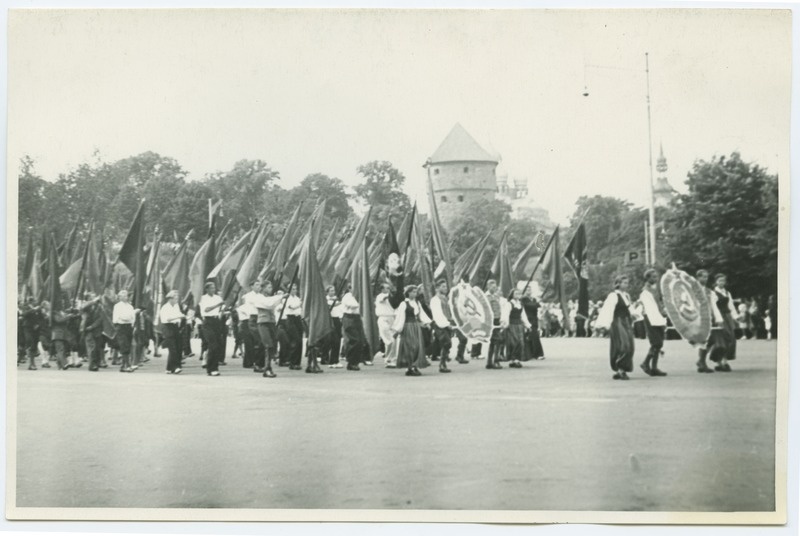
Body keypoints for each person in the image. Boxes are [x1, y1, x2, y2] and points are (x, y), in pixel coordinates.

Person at [596, 274, 635, 380]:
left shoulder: (626, 296)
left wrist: (635, 315)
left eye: (627, 283)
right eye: (624, 283)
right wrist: (605, 324)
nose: (626, 285)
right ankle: (620, 368)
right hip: (617, 322)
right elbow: (608, 310)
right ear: (618, 283)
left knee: (630, 346)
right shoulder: (613, 296)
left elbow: (630, 309)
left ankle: (621, 369)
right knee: (623, 345)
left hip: (626, 322)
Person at [392, 285, 431, 376]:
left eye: (416, 292)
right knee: (410, 347)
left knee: (417, 346)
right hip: (408, 326)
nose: (415, 293)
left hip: (416, 326)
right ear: (408, 293)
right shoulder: (404, 304)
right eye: (413, 291)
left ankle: (414, 366)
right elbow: (401, 317)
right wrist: (398, 329)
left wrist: (426, 323)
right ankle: (409, 367)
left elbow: (421, 315)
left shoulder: (417, 303)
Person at [248, 280, 284, 378]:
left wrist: (281, 299)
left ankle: (267, 367)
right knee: (268, 345)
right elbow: (268, 304)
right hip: (263, 323)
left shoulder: (269, 298)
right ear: (263, 288)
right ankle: (267, 368)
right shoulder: (258, 297)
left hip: (271, 323)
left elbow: (274, 305)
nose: (271, 289)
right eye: (268, 287)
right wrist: (280, 297)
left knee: (272, 346)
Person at [638, 268, 667, 377]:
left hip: (658, 317)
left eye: (656, 276)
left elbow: (659, 303)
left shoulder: (656, 289)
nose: (656, 278)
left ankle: (654, 367)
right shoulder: (646, 291)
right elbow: (650, 308)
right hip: (651, 318)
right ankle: (645, 363)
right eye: (653, 277)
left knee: (659, 343)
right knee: (656, 342)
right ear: (648, 278)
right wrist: (660, 315)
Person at [709, 274, 739, 372]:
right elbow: (713, 307)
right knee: (721, 340)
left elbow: (731, 306)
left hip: (727, 316)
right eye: (719, 281)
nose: (722, 282)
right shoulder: (713, 293)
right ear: (716, 282)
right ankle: (719, 362)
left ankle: (724, 361)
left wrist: (736, 317)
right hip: (719, 317)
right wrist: (717, 319)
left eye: (723, 281)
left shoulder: (727, 292)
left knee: (731, 338)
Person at [199, 281, 226, 377]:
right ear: (206, 289)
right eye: (211, 288)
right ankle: (210, 368)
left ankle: (215, 367)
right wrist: (218, 305)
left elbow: (222, 308)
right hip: (207, 322)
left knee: (218, 345)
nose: (213, 290)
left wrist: (222, 309)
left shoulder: (217, 297)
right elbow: (206, 309)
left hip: (216, 321)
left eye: (214, 288)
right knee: (212, 344)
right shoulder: (203, 298)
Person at [341, 282, 369, 371]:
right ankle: (351, 362)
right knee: (354, 340)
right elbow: (352, 305)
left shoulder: (359, 296)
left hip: (357, 318)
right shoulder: (347, 296)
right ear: (349, 289)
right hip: (349, 317)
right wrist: (362, 302)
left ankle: (356, 361)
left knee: (360, 340)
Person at [503, 287, 532, 368]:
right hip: (511, 325)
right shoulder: (509, 304)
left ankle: (516, 359)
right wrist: (506, 324)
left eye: (519, 294)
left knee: (521, 342)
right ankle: (513, 359)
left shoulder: (520, 304)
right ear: (512, 295)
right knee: (513, 342)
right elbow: (506, 315)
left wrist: (528, 325)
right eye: (516, 293)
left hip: (519, 325)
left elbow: (523, 316)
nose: (518, 295)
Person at [277, 284, 304, 370]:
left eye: (295, 289)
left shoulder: (297, 298)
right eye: (292, 289)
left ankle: (297, 362)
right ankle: (292, 362)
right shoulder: (286, 299)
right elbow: (291, 307)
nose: (294, 291)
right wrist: (301, 304)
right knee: (295, 340)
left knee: (300, 341)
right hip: (290, 319)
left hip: (298, 318)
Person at [160, 290, 185, 374]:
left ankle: (169, 367)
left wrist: (182, 317)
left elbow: (178, 314)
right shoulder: (165, 307)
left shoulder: (176, 306)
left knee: (178, 346)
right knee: (172, 347)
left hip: (175, 327)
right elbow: (167, 318)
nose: (177, 300)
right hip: (167, 327)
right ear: (170, 299)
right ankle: (176, 367)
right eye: (175, 298)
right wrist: (178, 316)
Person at [80, 293, 106, 372]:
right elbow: (82, 307)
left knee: (97, 348)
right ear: (88, 298)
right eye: (92, 297)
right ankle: (92, 365)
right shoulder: (85, 306)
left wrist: (93, 326)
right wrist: (93, 301)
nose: (95, 298)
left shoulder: (99, 307)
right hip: (87, 330)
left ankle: (97, 363)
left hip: (96, 329)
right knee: (91, 347)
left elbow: (100, 318)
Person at [112, 290, 137, 373]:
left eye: (126, 295)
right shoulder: (117, 306)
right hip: (121, 326)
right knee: (124, 344)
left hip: (128, 327)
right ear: (120, 297)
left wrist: (131, 323)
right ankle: (128, 365)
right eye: (123, 296)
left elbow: (132, 317)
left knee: (128, 345)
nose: (126, 297)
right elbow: (119, 317)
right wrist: (127, 318)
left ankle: (123, 365)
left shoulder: (130, 306)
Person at [375, 282, 398, 368]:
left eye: (389, 288)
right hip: (383, 318)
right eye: (386, 288)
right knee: (389, 340)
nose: (388, 290)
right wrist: (392, 293)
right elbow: (383, 298)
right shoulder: (380, 296)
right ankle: (389, 359)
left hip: (392, 318)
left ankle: (391, 359)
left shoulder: (392, 297)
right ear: (382, 289)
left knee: (394, 340)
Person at [521, 285, 545, 359]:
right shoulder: (523, 299)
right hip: (527, 319)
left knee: (532, 336)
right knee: (533, 336)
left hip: (534, 319)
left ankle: (531, 353)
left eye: (530, 289)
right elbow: (530, 306)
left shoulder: (533, 299)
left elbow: (537, 306)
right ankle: (536, 354)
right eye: (527, 290)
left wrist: (538, 303)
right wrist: (538, 303)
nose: (529, 291)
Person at [324, 285, 344, 369]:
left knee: (338, 340)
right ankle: (331, 361)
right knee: (333, 340)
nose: (333, 292)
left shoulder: (336, 299)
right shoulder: (326, 299)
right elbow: (329, 307)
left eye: (334, 290)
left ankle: (335, 360)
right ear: (327, 292)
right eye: (331, 291)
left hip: (337, 320)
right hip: (330, 320)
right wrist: (337, 302)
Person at [21, 297, 43, 370]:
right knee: (30, 342)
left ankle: (32, 364)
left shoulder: (38, 309)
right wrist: (33, 309)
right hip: (27, 328)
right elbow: (24, 314)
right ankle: (30, 361)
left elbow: (41, 318)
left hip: (36, 329)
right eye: (34, 301)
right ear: (30, 301)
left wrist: (38, 324)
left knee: (34, 345)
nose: (36, 302)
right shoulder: (26, 307)